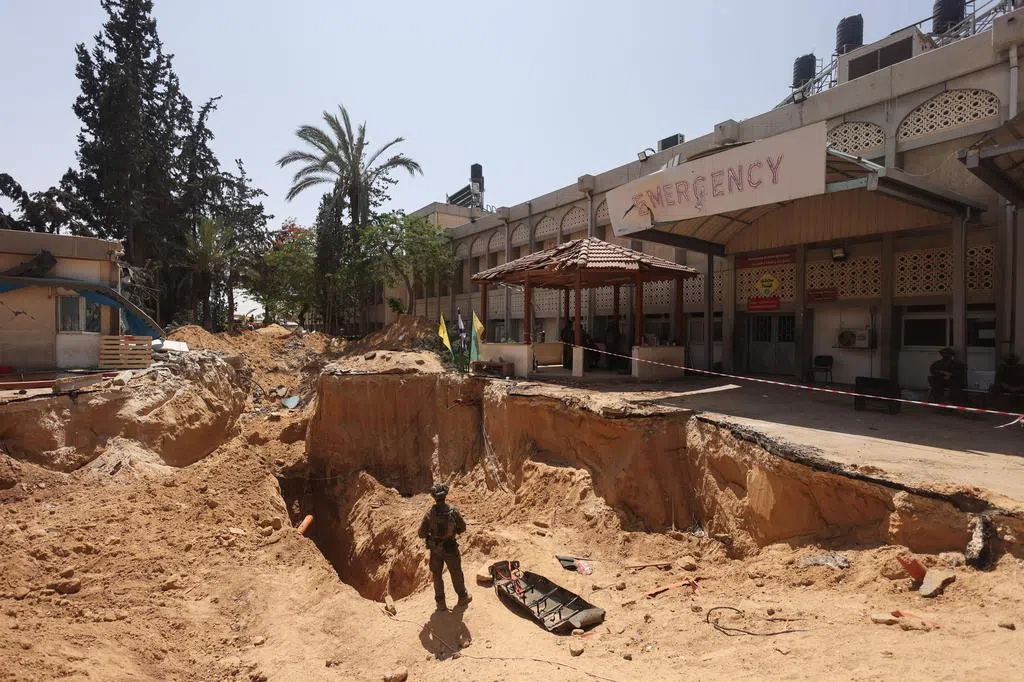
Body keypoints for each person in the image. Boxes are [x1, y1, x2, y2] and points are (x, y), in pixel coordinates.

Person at [418, 483, 471, 611]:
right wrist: (454, 531)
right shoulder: (453, 511)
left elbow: (421, 534)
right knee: (456, 572)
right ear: (445, 496)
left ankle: (441, 603)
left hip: (436, 550)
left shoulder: (429, 514)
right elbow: (463, 527)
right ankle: (462, 597)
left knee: (437, 575)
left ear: (434, 497)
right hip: (451, 547)